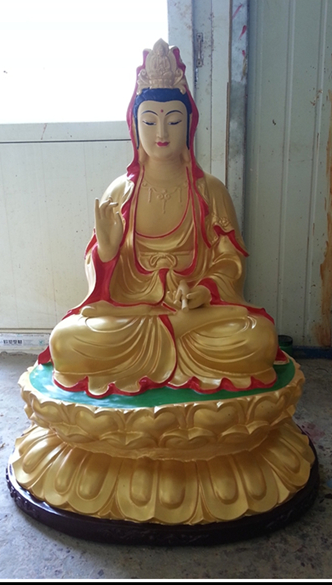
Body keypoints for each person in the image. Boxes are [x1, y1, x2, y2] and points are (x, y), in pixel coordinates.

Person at [38, 39, 280, 398]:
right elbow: (98, 280)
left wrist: (203, 290)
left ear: (189, 126)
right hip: (135, 315)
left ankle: (166, 347)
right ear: (135, 126)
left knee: (258, 337)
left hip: (195, 314)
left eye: (174, 121)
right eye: (149, 121)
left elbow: (230, 262)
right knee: (66, 341)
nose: (162, 133)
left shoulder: (210, 191)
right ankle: (171, 345)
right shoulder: (120, 192)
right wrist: (107, 253)